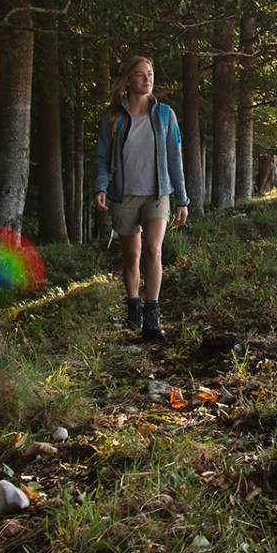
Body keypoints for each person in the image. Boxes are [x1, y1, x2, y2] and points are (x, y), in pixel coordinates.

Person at [92, 55, 189, 341]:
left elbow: (175, 158)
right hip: (123, 195)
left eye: (150, 74)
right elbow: (100, 158)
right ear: (127, 80)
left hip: (158, 193)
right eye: (140, 75)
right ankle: (133, 303)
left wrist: (182, 199)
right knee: (132, 256)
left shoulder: (165, 115)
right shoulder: (112, 117)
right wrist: (100, 187)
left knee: (153, 251)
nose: (147, 79)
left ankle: (152, 316)